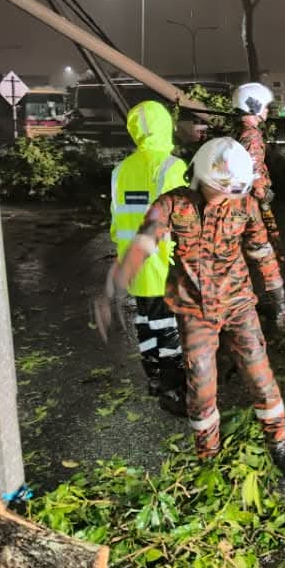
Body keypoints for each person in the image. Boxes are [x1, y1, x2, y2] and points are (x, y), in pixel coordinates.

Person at [103, 137, 285, 481]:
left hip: (239, 304)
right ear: (200, 176)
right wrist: (113, 288)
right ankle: (208, 458)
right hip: (194, 309)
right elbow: (143, 243)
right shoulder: (172, 205)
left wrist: (280, 301)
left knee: (261, 379)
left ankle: (282, 448)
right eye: (219, 186)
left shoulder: (245, 205)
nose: (226, 195)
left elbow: (262, 252)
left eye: (233, 188)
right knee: (200, 384)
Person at [110, 101, 189, 416]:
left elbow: (116, 222)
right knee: (168, 326)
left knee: (145, 322)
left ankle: (154, 377)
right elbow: (183, 223)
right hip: (164, 265)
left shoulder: (120, 170)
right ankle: (172, 388)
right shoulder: (173, 167)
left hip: (134, 265)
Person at [233, 82, 283, 253]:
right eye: (266, 106)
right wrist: (262, 194)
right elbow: (253, 168)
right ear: (255, 105)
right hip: (253, 198)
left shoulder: (238, 130)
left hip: (239, 197)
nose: (267, 110)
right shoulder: (252, 135)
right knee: (264, 240)